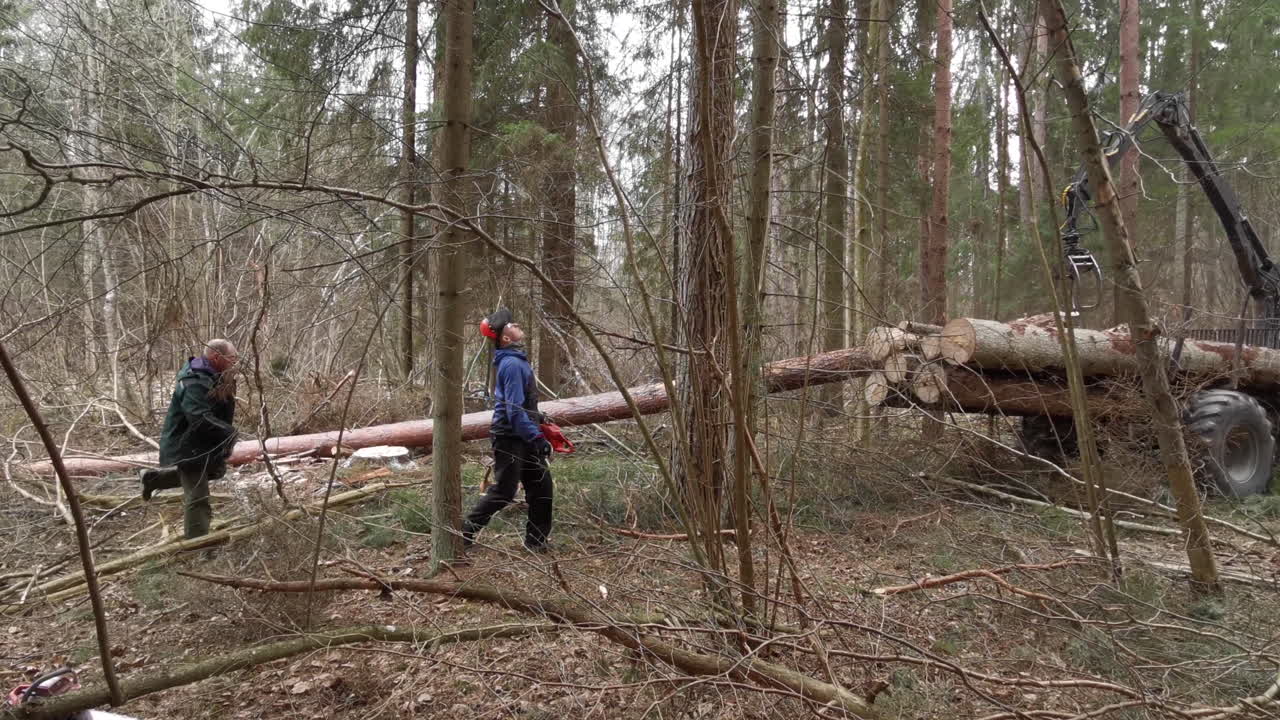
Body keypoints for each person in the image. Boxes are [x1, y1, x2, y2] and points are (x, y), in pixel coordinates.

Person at [462, 308, 555, 553]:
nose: (515, 323)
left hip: (523, 433)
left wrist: (538, 419)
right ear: (505, 338)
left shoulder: (515, 360)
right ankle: (463, 534)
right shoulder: (512, 364)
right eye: (510, 324)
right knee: (504, 491)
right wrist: (536, 437)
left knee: (542, 488)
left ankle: (536, 542)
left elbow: (519, 404)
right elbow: (513, 410)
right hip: (510, 437)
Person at [139, 339, 239, 539]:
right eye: (232, 358)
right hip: (185, 445)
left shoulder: (218, 376)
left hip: (202, 442)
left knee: (214, 472)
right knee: (198, 497)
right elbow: (198, 417)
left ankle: (153, 479)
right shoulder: (193, 380)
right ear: (216, 357)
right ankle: (197, 544)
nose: (235, 362)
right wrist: (228, 432)